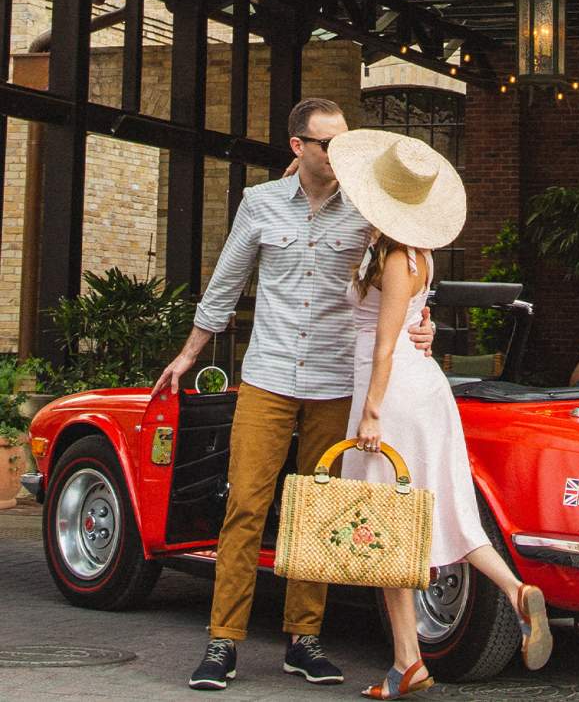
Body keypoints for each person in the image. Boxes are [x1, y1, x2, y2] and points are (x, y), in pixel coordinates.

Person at [151, 99, 435, 691]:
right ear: (296, 146)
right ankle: (222, 643)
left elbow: (403, 273)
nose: (336, 154)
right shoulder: (258, 205)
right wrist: (187, 355)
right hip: (269, 378)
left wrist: (420, 326)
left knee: (318, 514)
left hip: (337, 383)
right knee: (246, 507)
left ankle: (303, 641)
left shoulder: (364, 213)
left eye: (342, 143)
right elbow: (224, 285)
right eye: (325, 144)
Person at [327, 129, 554, 700]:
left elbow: (383, 344)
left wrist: (371, 413)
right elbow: (404, 329)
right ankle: (507, 595)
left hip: (392, 391)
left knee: (383, 527)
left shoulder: (396, 258)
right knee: (439, 511)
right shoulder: (410, 253)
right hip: (418, 387)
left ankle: (409, 660)